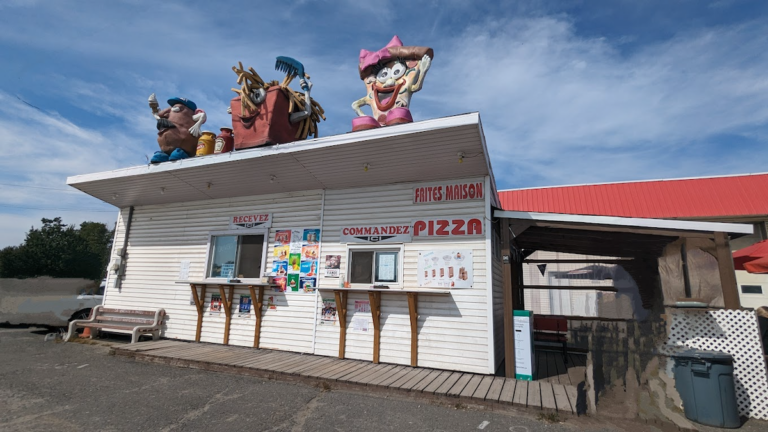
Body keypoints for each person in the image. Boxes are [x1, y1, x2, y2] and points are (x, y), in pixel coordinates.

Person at [148, 95, 207, 163]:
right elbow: (159, 115)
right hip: (164, 149)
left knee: (178, 154)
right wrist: (154, 109)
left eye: (175, 108)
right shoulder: (166, 118)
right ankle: (164, 154)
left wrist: (197, 125)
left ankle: (182, 152)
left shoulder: (193, 116)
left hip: (186, 147)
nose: (165, 114)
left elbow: (203, 115)